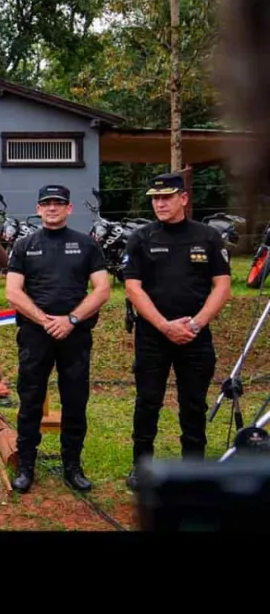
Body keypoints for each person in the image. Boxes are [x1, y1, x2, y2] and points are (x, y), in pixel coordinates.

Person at [123, 172, 232, 490]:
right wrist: (163, 325)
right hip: (153, 335)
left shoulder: (208, 237)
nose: (159, 203)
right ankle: (142, 465)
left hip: (195, 336)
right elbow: (133, 287)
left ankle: (194, 469)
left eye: (166, 197)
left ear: (183, 198)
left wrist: (196, 324)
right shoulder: (141, 237)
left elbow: (222, 286)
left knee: (194, 403)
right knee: (147, 401)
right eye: (155, 198)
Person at [5, 185, 110, 494]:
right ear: (38, 209)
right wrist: (45, 321)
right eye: (46, 204)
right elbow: (13, 291)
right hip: (36, 335)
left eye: (58, 204)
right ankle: (26, 466)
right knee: (30, 401)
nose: (52, 208)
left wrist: (71, 320)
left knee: (75, 401)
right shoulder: (24, 245)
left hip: (75, 335)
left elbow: (102, 289)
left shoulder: (87, 245)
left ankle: (72, 466)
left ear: (69, 209)